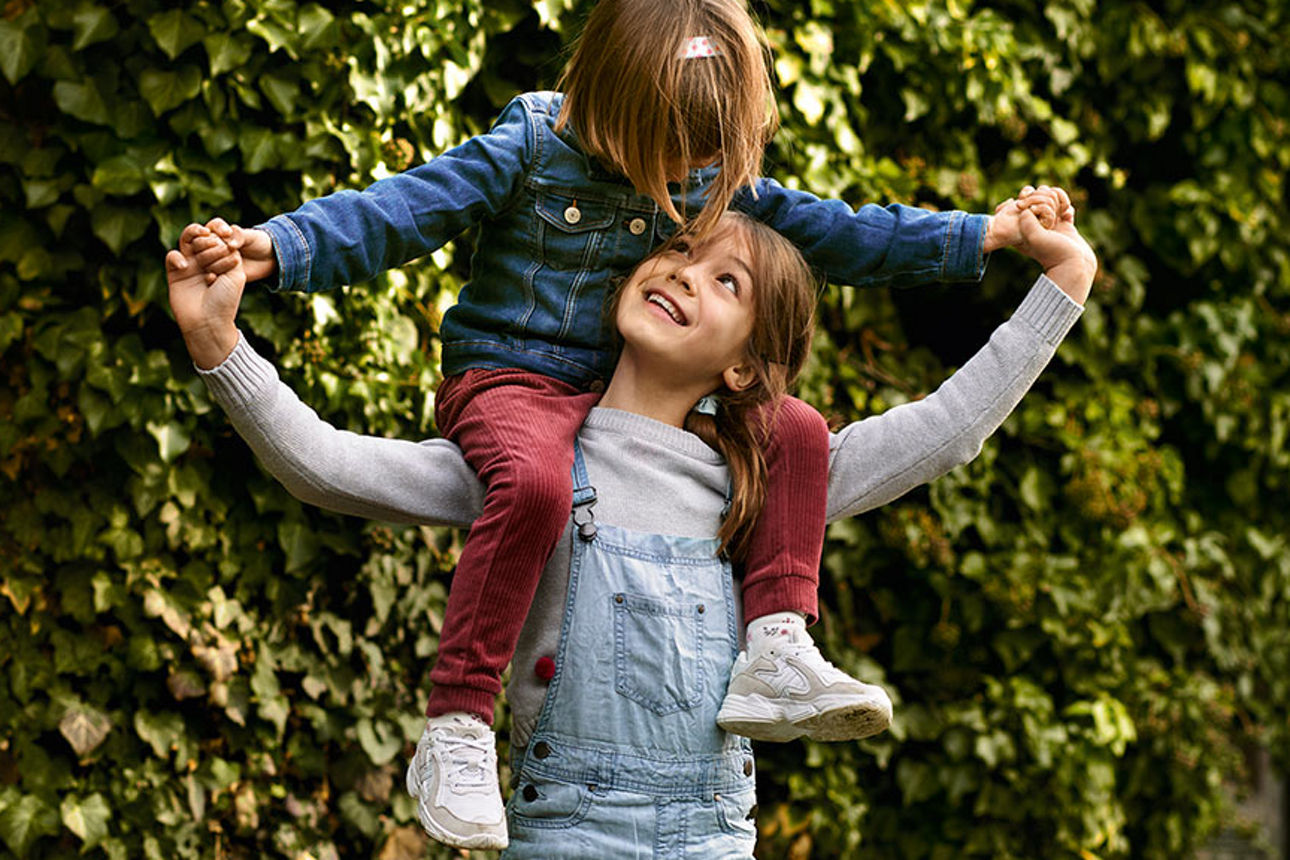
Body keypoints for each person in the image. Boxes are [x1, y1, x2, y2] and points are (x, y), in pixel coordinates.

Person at [183, 0, 1062, 847]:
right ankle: (458, 721)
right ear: (604, 98)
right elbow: (404, 212)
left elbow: (843, 242)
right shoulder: (533, 143)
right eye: (675, 229)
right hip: (513, 388)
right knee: (536, 485)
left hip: (710, 833)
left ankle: (777, 644)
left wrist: (986, 237)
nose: (683, 185)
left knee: (795, 426)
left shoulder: (738, 468)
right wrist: (280, 251)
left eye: (702, 165)